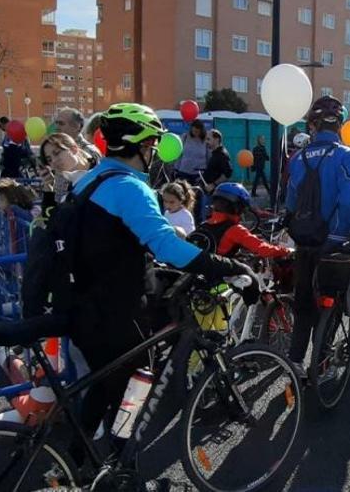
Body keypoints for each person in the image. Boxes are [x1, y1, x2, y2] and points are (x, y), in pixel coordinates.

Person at [53, 103, 257, 476]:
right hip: (116, 310)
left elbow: (113, 239)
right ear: (138, 145)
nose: (152, 153)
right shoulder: (130, 187)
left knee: (104, 386)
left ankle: (76, 465)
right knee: (140, 381)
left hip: (82, 306)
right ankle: (120, 465)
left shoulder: (91, 180)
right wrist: (229, 266)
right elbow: (168, 248)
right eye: (150, 146)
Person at [284, 95, 350, 374]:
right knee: (331, 300)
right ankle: (323, 362)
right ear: (339, 126)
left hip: (304, 238)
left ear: (313, 126)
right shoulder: (346, 155)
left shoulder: (298, 157)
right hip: (334, 239)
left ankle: (295, 361)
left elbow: (291, 201)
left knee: (303, 301)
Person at [196, 182, 292, 259]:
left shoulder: (204, 225)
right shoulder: (235, 230)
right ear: (237, 207)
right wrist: (286, 251)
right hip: (222, 277)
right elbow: (263, 250)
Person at [38, 133, 92, 212]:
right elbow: (50, 219)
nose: (54, 161)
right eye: (49, 159)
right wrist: (48, 189)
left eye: (57, 153)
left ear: (74, 149)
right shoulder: (61, 182)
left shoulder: (100, 170)